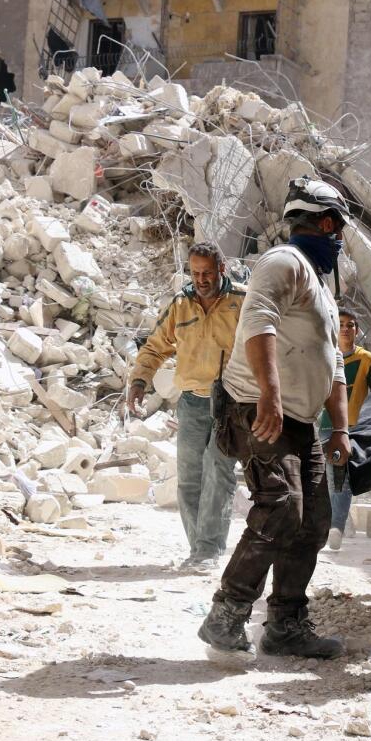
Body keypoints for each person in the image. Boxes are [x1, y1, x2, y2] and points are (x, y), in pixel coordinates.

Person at [197, 176, 351, 659]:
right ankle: (227, 615)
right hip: (260, 408)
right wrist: (268, 394)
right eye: (338, 230)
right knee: (281, 506)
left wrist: (341, 427)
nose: (340, 240)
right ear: (326, 224)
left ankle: (285, 624)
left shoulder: (319, 284)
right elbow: (257, 321)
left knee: (314, 521)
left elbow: (334, 361)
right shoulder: (285, 262)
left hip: (301, 420)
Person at [127, 241, 243, 570]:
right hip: (191, 403)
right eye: (195, 273)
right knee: (190, 479)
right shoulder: (181, 304)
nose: (201, 279)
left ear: (222, 269)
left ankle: (209, 548)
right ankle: (198, 549)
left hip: (231, 402)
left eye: (207, 272)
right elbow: (155, 346)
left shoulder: (242, 302)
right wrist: (139, 381)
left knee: (219, 473)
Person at [324, 309, 371, 551]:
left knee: (341, 477)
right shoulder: (324, 355)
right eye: (341, 324)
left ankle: (336, 526)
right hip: (322, 423)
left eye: (351, 325)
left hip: (350, 427)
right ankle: (334, 523)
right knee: (324, 478)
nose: (345, 328)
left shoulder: (367, 360)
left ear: (357, 330)